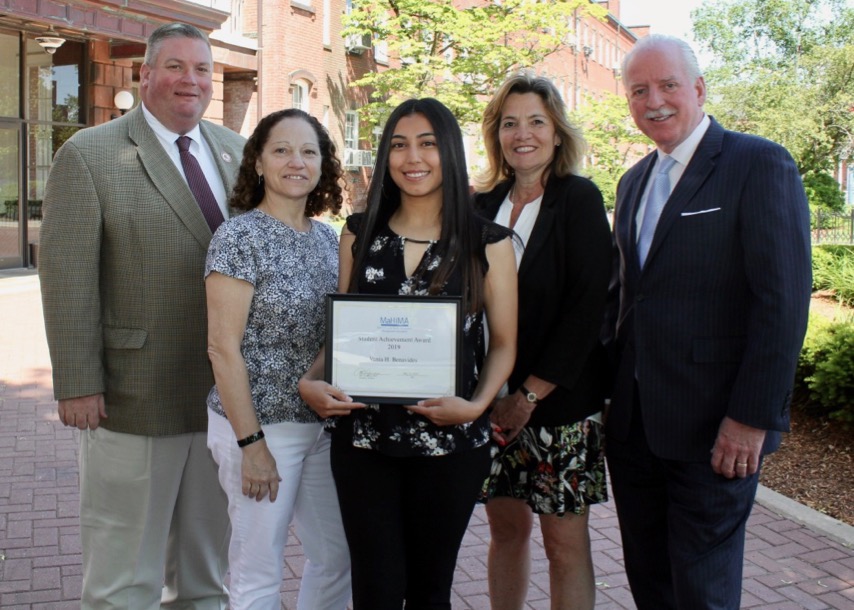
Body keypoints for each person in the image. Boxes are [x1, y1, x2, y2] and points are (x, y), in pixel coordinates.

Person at [39, 23, 245, 609]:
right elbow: (68, 280)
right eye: (176, 66)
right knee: (124, 578)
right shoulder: (89, 154)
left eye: (202, 69)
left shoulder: (235, 151)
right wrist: (78, 383)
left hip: (220, 399)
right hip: (134, 397)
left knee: (206, 576)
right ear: (145, 74)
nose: (191, 80)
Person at [604, 34, 811, 610]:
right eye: (639, 90)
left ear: (697, 88)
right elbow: (626, 301)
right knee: (650, 582)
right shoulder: (633, 182)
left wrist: (751, 418)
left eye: (668, 85)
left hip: (716, 432)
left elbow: (783, 302)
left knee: (704, 592)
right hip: (636, 431)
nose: (655, 101)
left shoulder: (757, 163)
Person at [299, 98, 518, 610]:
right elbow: (343, 333)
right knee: (374, 588)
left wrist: (478, 404)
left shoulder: (489, 243)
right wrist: (311, 380)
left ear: (449, 152)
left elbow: (505, 342)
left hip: (450, 441)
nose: (411, 157)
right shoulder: (359, 232)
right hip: (364, 440)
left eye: (426, 143)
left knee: (429, 590)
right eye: (398, 144)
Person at [474, 73, 612, 610]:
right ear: (497, 134)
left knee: (564, 543)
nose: (522, 133)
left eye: (536, 121)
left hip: (558, 405)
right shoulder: (483, 204)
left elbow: (586, 309)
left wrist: (528, 396)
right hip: (492, 402)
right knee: (505, 531)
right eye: (510, 123)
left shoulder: (578, 198)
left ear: (557, 132)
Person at [205, 108, 351, 609]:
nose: (297, 162)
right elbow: (222, 349)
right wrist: (252, 445)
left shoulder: (330, 240)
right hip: (260, 426)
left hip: (323, 428)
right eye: (282, 150)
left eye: (309, 151)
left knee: (336, 558)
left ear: (323, 165)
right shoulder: (239, 238)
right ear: (259, 163)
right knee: (258, 568)